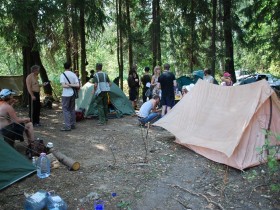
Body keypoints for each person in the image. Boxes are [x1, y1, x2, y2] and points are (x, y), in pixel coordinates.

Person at [60, 62, 80, 131]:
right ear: (70, 67)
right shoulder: (73, 74)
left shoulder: (62, 75)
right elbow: (77, 85)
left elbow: (63, 85)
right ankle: (73, 124)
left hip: (65, 94)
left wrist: (68, 84)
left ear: (64, 67)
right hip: (73, 94)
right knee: (72, 109)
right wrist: (71, 85)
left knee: (65, 110)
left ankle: (67, 126)